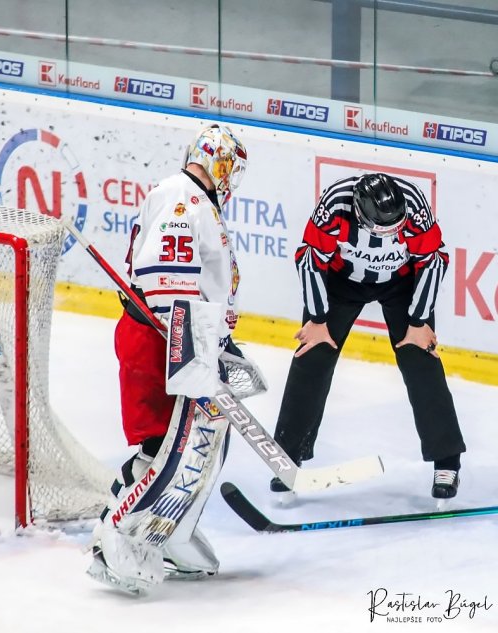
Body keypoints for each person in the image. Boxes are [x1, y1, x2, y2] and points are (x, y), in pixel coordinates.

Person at [88, 124, 248, 593]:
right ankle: (114, 537)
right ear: (220, 163)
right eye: (232, 168)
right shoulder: (183, 198)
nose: (232, 179)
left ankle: (169, 529)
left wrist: (217, 340)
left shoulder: (194, 199)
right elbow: (166, 282)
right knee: (162, 446)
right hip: (160, 341)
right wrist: (197, 343)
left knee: (199, 443)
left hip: (180, 338)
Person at [271, 172, 466, 499]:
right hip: (342, 280)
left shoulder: (414, 204)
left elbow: (432, 260)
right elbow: (311, 256)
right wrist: (317, 319)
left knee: (420, 360)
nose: (391, 234)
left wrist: (419, 321)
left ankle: (447, 462)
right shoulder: (335, 203)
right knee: (312, 355)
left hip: (401, 282)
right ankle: (289, 457)